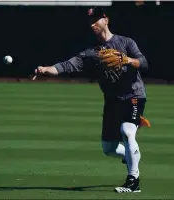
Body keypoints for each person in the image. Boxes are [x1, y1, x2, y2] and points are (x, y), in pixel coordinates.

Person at [34, 7, 150, 193]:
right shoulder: (92, 53)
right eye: (90, 21)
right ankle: (130, 155)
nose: (92, 23)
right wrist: (45, 69)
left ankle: (133, 180)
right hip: (112, 101)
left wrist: (127, 60)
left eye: (96, 19)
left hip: (134, 95)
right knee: (109, 148)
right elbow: (67, 65)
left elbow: (143, 63)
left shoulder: (126, 42)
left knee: (127, 131)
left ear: (106, 19)